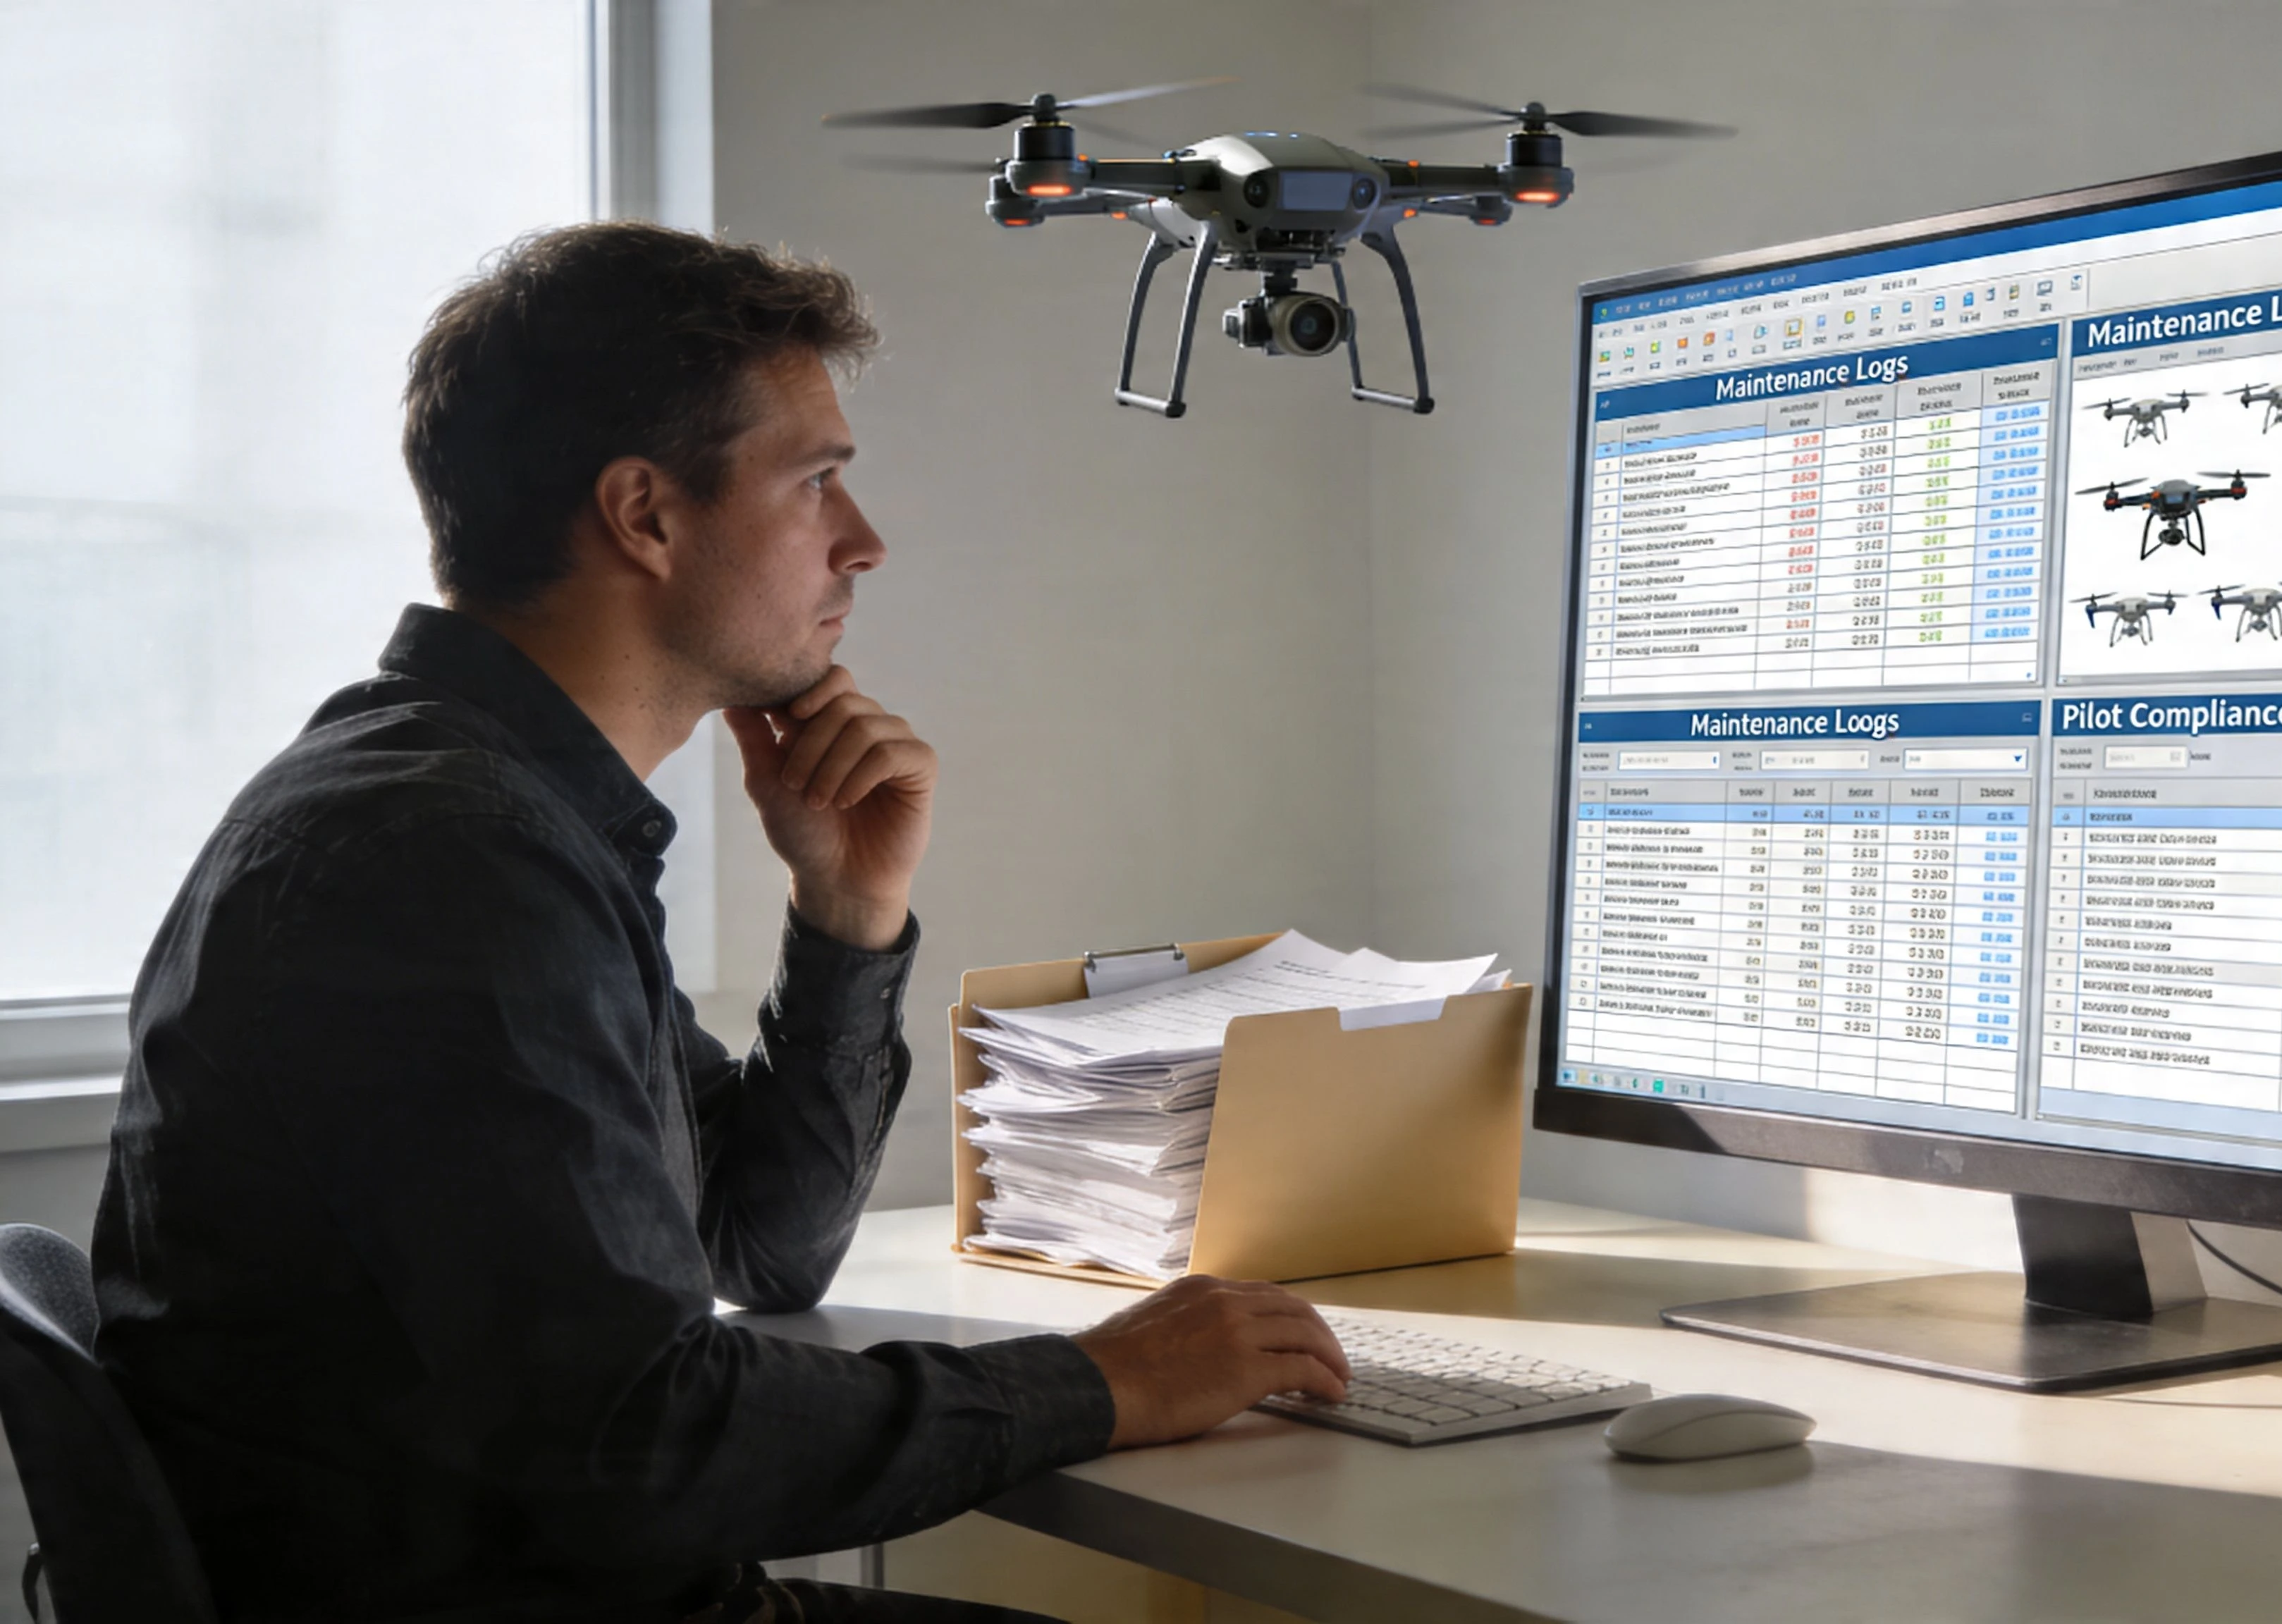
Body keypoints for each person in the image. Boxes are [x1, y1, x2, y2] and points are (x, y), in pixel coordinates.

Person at [90, 221, 1350, 1624]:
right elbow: (649, 1446)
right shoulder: (445, 861)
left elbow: (757, 1243)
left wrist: (845, 911)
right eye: (815, 483)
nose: (863, 544)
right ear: (644, 514)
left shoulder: (487, 815)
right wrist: (1107, 1381)